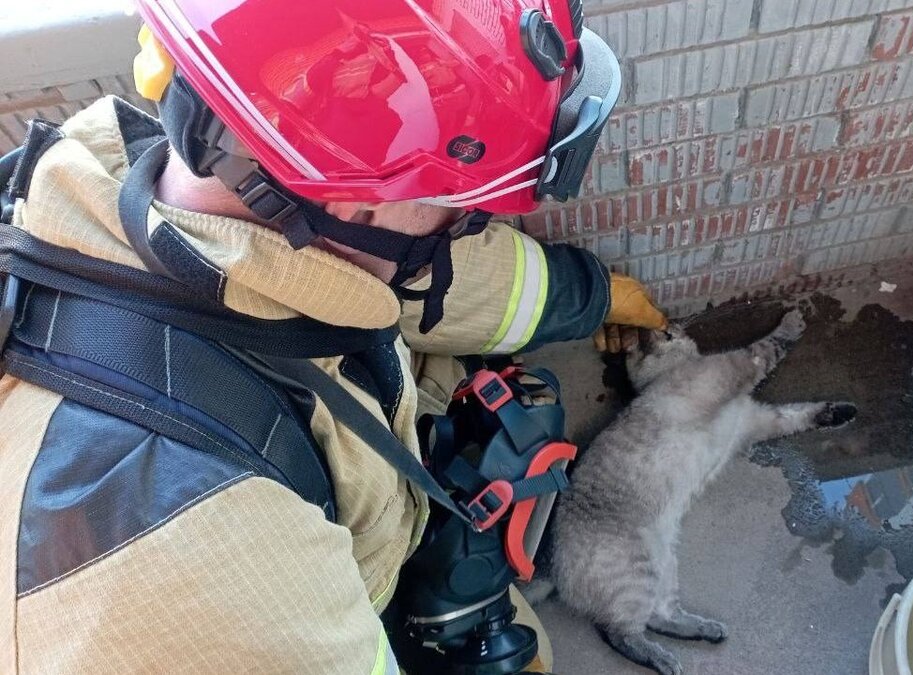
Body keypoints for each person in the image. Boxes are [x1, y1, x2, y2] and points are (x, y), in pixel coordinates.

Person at [0, 0, 665, 671]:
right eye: (463, 209)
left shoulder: (175, 189)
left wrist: (598, 294)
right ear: (356, 200)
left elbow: (451, 278)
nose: (466, 227)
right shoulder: (196, 574)